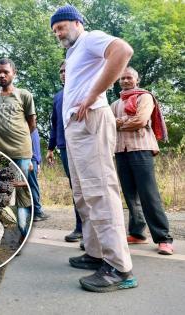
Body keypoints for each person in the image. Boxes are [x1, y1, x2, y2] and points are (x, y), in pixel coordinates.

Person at [51, 4, 137, 292]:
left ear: (76, 22)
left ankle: (119, 268)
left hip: (91, 121)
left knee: (100, 189)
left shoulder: (89, 38)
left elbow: (123, 51)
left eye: (61, 27)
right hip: (76, 127)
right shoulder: (73, 52)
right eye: (54, 31)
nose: (58, 33)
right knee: (83, 193)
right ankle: (96, 253)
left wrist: (92, 95)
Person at [111, 66, 173, 255]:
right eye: (122, 78)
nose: (125, 81)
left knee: (148, 195)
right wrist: (125, 121)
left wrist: (119, 122)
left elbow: (141, 120)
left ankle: (164, 238)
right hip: (120, 151)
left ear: (136, 80)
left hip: (141, 149)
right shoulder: (114, 103)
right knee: (130, 195)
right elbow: (107, 125)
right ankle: (137, 234)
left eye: (129, 77)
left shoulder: (144, 97)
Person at [46, 61, 82, 241]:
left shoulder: (83, 89)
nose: (63, 74)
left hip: (83, 144)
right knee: (75, 187)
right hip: (64, 146)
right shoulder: (58, 96)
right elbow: (55, 124)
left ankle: (95, 231)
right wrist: (51, 148)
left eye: (66, 71)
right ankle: (80, 227)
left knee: (88, 186)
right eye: (61, 71)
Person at [0, 58, 37, 178]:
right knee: (4, 188)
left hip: (21, 152)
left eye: (6, 72)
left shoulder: (24, 95)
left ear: (14, 73)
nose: (1, 75)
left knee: (23, 188)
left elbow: (32, 124)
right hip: (0, 154)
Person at [30, 128, 50, 221]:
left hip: (34, 160)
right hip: (30, 159)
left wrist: (38, 163)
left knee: (33, 186)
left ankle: (36, 211)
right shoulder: (29, 128)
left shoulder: (35, 130)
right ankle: (37, 212)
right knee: (33, 186)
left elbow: (37, 148)